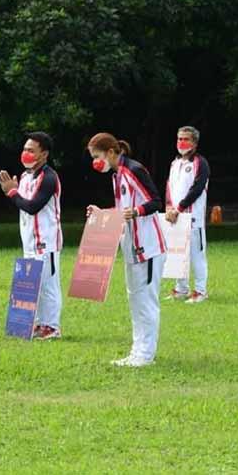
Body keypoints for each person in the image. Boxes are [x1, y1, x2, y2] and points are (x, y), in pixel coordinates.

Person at [86, 133, 165, 367]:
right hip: (131, 246)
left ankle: (146, 354)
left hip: (148, 246)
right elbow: (122, 209)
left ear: (111, 152)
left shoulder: (133, 170)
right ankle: (137, 350)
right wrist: (101, 212)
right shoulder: (117, 175)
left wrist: (136, 212)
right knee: (135, 300)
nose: (96, 161)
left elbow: (155, 201)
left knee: (146, 301)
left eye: (97, 156)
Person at [0, 131, 64, 340]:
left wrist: (12, 193)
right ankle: (38, 324)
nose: (25, 153)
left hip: (46, 241)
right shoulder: (26, 176)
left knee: (48, 285)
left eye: (31, 150)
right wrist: (15, 192)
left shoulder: (49, 177)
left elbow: (32, 206)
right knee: (35, 284)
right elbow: (22, 204)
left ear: (43, 154)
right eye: (25, 149)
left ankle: (51, 326)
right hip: (29, 241)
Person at [163, 126, 210, 303]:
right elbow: (169, 187)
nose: (181, 142)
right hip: (174, 217)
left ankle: (200, 291)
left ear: (195, 143)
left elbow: (197, 188)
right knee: (177, 254)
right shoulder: (175, 163)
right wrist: (169, 207)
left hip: (193, 217)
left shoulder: (199, 162)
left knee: (197, 255)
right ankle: (181, 289)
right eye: (179, 138)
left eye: (186, 139)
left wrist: (180, 208)